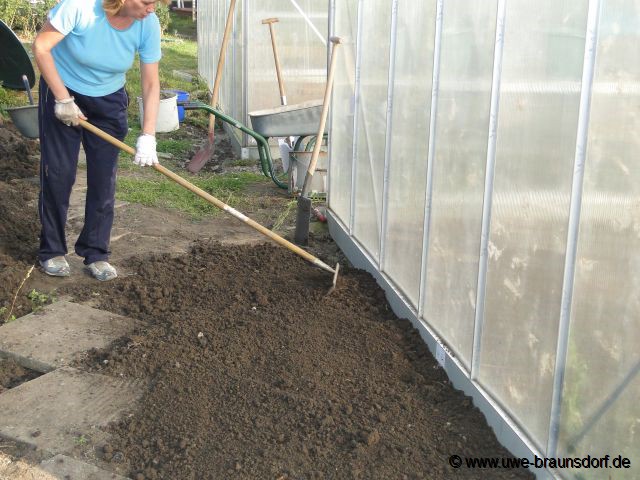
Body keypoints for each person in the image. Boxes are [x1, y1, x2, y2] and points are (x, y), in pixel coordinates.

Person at [32, 0, 169, 281]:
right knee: (58, 174)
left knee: (103, 179)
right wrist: (62, 98)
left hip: (109, 100)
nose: (152, 8)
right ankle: (52, 251)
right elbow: (41, 47)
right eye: (146, 2)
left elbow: (151, 83)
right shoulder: (80, 7)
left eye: (157, 2)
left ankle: (96, 253)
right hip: (64, 88)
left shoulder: (148, 24)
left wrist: (149, 135)